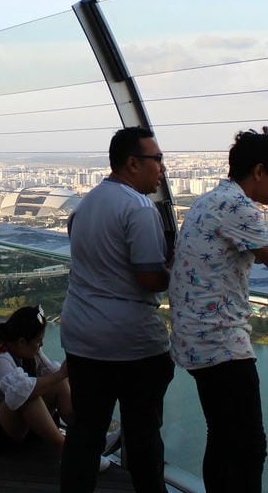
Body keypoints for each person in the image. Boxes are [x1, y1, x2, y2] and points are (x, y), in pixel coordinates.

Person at [169, 129, 268, 493]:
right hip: (221, 344)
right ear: (259, 171)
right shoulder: (238, 207)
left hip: (196, 340)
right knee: (248, 448)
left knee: (223, 438)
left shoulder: (214, 200)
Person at [59, 126, 173, 493]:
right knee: (143, 435)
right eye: (157, 160)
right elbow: (150, 279)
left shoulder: (86, 204)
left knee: (84, 432)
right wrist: (181, 268)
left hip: (82, 335)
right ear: (132, 164)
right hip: (131, 342)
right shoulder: (138, 208)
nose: (162, 169)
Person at [0, 305, 119, 469]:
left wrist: (70, 372)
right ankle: (69, 452)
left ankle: (88, 439)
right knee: (26, 394)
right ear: (22, 342)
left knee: (53, 384)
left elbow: (54, 375)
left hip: (23, 429)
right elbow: (21, 390)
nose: (41, 344)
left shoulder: (29, 351)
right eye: (38, 341)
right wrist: (61, 374)